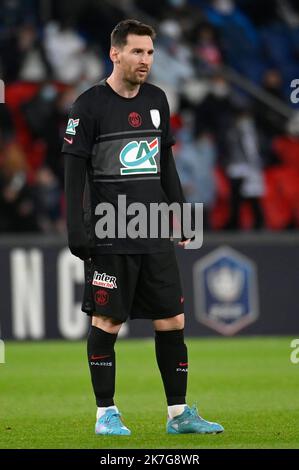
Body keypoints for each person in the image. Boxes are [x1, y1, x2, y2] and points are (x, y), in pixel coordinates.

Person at [62, 19, 224, 436]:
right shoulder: (88, 105)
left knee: (172, 320)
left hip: (153, 230)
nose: (146, 60)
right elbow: (72, 171)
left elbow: (164, 163)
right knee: (108, 322)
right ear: (115, 53)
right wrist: (77, 229)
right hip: (109, 230)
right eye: (137, 52)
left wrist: (181, 212)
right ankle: (105, 414)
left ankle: (179, 414)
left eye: (150, 53)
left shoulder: (157, 99)